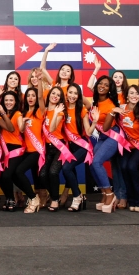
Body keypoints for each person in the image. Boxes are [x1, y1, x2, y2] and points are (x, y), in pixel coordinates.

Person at [89, 76, 123, 213]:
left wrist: (111, 113)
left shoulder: (110, 105)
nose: (102, 86)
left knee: (97, 162)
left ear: (110, 89)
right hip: (102, 137)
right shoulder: (96, 101)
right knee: (92, 163)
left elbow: (107, 127)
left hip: (112, 136)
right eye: (100, 83)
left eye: (106, 85)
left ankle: (110, 194)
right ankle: (104, 193)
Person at [115, 86, 139, 213]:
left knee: (131, 168)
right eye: (131, 93)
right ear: (127, 95)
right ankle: (132, 200)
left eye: (137, 93)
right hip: (126, 145)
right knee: (124, 168)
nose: (134, 96)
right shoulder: (122, 108)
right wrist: (114, 110)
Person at [60, 84, 95, 212]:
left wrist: (95, 122)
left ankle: (77, 196)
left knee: (66, 168)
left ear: (79, 95)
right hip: (69, 146)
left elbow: (89, 132)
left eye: (76, 93)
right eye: (70, 92)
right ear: (66, 94)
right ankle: (79, 196)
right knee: (70, 170)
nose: (73, 96)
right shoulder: (62, 109)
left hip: (82, 146)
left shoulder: (82, 110)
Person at [11, 87, 46, 213]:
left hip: (37, 151)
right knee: (13, 173)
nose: (30, 98)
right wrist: (22, 123)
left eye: (33, 95)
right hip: (25, 151)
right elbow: (20, 130)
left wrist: (41, 81)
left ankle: (33, 198)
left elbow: (42, 97)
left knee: (19, 171)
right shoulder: (23, 113)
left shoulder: (40, 112)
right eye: (28, 95)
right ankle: (32, 196)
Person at [39, 86, 69, 212]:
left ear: (60, 98)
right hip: (47, 147)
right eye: (53, 93)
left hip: (58, 147)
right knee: (42, 174)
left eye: (58, 95)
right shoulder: (44, 110)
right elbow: (40, 97)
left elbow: (51, 129)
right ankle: (53, 196)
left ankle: (55, 200)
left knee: (53, 172)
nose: (55, 96)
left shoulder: (60, 111)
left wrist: (56, 113)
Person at [0, 91, 24, 211]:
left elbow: (15, 129)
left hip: (15, 148)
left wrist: (2, 112)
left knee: (7, 175)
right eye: (6, 100)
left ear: (16, 102)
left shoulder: (17, 114)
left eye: (11, 100)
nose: (8, 102)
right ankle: (9, 198)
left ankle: (12, 198)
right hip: (3, 148)